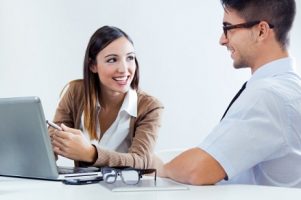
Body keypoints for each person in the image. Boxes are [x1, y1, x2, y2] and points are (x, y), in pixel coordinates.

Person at [159, 0, 301, 187]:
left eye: (229, 28)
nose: (222, 39)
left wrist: (159, 167)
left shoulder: (268, 95)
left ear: (261, 31)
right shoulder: (289, 86)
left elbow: (197, 170)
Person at [49, 26, 164, 169]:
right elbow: (53, 138)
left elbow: (141, 161)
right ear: (93, 66)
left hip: (126, 190)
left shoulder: (149, 107)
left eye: (130, 58)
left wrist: (90, 153)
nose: (124, 69)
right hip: (83, 189)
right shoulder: (76, 93)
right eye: (112, 60)